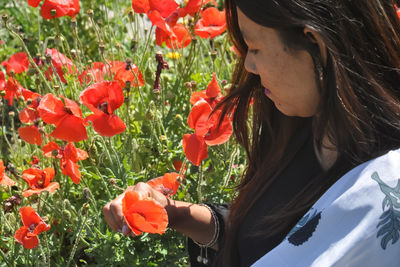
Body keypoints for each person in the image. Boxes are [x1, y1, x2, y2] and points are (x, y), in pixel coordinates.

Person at [103, 0, 400, 266]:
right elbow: (267, 237)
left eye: (254, 47)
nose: (249, 65)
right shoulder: (298, 121)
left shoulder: (386, 179)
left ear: (315, 43)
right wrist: (174, 212)